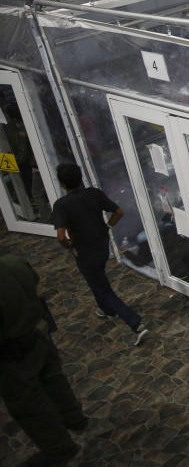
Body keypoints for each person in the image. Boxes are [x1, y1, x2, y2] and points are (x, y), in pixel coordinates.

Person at [1, 254, 86, 466]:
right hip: (37, 332)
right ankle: (74, 418)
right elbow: (34, 282)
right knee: (54, 379)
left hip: (12, 351)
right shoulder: (13, 262)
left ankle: (60, 449)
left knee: (29, 403)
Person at [51, 163, 147, 346]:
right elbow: (118, 212)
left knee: (102, 287)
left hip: (84, 251)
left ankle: (135, 323)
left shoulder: (61, 205)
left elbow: (61, 235)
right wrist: (107, 226)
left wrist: (69, 245)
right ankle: (105, 309)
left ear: (62, 184)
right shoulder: (94, 194)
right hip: (102, 245)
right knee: (97, 279)